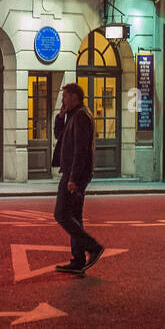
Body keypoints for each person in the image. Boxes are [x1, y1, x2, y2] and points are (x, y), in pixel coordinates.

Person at [52, 83, 105, 275]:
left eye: (65, 96)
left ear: (74, 97)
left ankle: (93, 247)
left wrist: (73, 177)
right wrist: (60, 116)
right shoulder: (73, 115)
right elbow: (59, 135)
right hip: (72, 172)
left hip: (75, 174)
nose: (63, 100)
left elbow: (81, 150)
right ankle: (78, 259)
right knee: (73, 216)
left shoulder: (81, 116)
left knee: (61, 214)